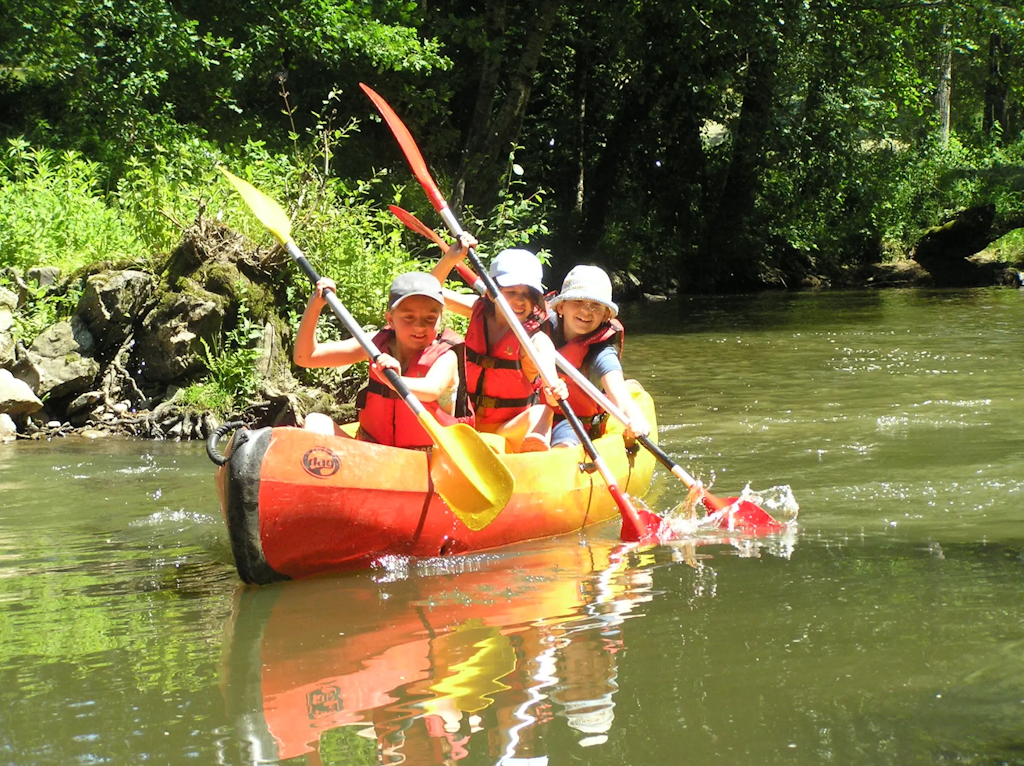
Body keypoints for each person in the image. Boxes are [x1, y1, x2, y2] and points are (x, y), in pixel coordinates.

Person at [292, 271, 471, 448]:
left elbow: (432, 389)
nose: (419, 326)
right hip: (373, 452)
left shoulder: (446, 357)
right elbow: (305, 357)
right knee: (316, 422)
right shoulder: (374, 344)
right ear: (390, 319)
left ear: (440, 319)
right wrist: (315, 306)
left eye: (430, 318)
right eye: (409, 317)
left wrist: (396, 380)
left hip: (424, 460)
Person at [432, 235, 568, 452]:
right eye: (511, 292)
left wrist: (555, 393)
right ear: (491, 292)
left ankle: (533, 461)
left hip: (507, 431)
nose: (520, 300)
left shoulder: (536, 340)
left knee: (542, 412)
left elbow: (551, 386)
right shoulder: (478, 310)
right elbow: (428, 292)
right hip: (465, 422)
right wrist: (450, 259)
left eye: (527, 294)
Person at [547, 265, 650, 448]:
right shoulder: (536, 333)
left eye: (595, 305)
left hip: (575, 425)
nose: (586, 311)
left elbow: (619, 395)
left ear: (605, 315)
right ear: (561, 307)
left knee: (567, 435)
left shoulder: (602, 352)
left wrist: (635, 419)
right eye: (577, 301)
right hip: (535, 416)